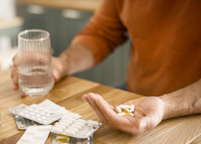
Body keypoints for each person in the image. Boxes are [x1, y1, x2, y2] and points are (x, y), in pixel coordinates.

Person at [11, 0, 201, 135]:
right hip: (136, 93)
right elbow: (102, 33)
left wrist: (166, 105)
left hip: (190, 109)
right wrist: (62, 63)